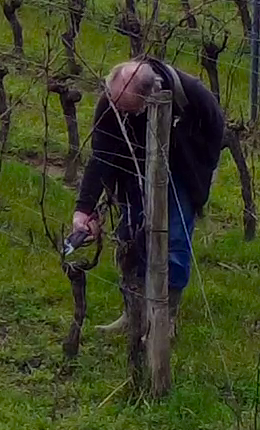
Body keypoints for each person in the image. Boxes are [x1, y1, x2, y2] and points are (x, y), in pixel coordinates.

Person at [69, 55, 226, 319]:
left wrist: (198, 175)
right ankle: (134, 312)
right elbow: (101, 155)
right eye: (115, 104)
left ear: (151, 99)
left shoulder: (190, 93)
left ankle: (165, 317)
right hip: (134, 170)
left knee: (174, 238)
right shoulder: (112, 101)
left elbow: (215, 131)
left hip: (182, 171)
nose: (118, 113)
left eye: (127, 110)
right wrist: (84, 209)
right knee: (132, 232)